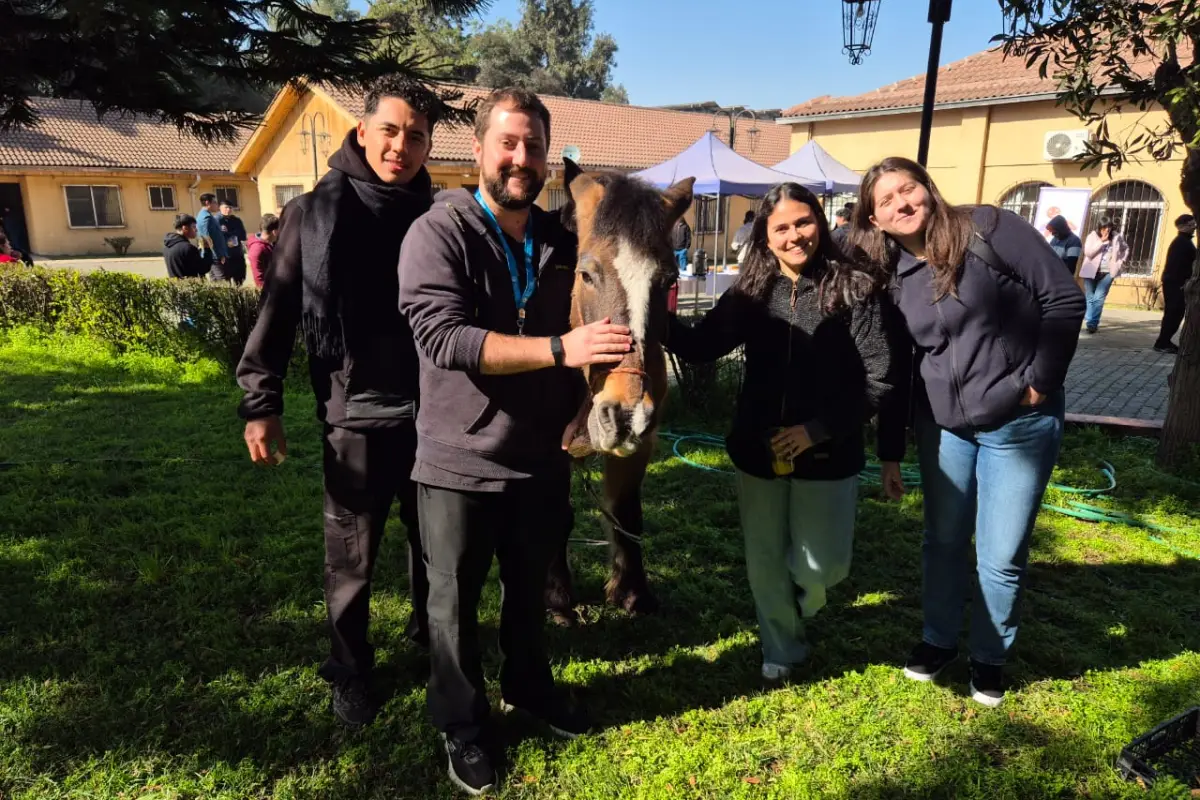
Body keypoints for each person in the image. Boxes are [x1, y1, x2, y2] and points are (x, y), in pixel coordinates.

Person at [399, 87, 630, 795]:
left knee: (529, 591)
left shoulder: (564, 242)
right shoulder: (439, 233)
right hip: (457, 457)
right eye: (507, 143)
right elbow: (444, 338)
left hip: (541, 456)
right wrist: (559, 350)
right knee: (454, 603)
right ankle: (463, 723)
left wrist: (584, 403)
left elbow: (609, 314)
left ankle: (530, 686)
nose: (520, 158)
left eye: (532, 145)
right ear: (478, 150)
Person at [236, 75, 441, 729]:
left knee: (435, 545)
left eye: (415, 135)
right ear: (362, 132)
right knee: (350, 555)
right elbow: (279, 311)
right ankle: (351, 670)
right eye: (390, 130)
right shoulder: (315, 213)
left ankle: (430, 639)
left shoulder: (437, 215)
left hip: (433, 415)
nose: (401, 146)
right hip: (353, 415)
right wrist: (259, 403)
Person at [852, 156, 1084, 707]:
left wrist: (1039, 385)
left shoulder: (990, 228)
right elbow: (902, 368)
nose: (901, 204)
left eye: (907, 190)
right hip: (945, 430)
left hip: (1020, 424)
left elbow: (1064, 298)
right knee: (944, 541)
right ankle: (937, 641)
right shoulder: (894, 277)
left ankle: (988, 657)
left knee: (1000, 555)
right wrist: (890, 452)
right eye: (886, 201)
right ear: (875, 220)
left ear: (927, 191)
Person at [665, 183, 903, 685]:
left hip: (828, 452)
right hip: (759, 446)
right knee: (765, 560)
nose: (795, 236)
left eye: (804, 222)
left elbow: (880, 378)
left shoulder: (856, 289)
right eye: (782, 228)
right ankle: (781, 645)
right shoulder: (751, 292)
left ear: (819, 221)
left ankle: (803, 600)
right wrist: (645, 309)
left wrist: (816, 431)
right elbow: (700, 346)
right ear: (765, 237)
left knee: (824, 566)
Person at [1079, 216, 1129, 334]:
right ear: (1099, 227)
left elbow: (1125, 249)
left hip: (1108, 272)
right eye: (1103, 227)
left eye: (1108, 227)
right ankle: (1090, 320)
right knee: (1090, 297)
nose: (1106, 230)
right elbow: (1088, 253)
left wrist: (1121, 261)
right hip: (1091, 271)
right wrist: (1101, 242)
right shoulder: (1092, 236)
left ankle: (1092, 323)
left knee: (1099, 297)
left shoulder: (1116, 237)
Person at [1154, 214, 1196, 355]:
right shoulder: (1181, 243)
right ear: (1182, 226)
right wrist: (1182, 283)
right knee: (1173, 313)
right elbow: (1177, 266)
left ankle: (1164, 341)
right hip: (1175, 283)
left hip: (1175, 282)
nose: (1194, 227)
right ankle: (1162, 342)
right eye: (1191, 224)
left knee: (1175, 313)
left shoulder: (1184, 242)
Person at [162, 213, 205, 279]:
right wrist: (206, 250)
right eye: (193, 227)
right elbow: (203, 269)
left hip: (176, 286)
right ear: (185, 228)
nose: (196, 230)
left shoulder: (167, 247)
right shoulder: (188, 248)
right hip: (190, 286)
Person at [195, 193, 227, 279]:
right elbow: (208, 239)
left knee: (215, 280)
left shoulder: (207, 216)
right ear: (207, 203)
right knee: (221, 280)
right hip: (214, 255)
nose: (217, 205)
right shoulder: (206, 218)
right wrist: (219, 255)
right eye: (215, 202)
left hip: (214, 255)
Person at [247, 213, 280, 289]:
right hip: (269, 290)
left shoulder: (272, 242)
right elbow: (259, 278)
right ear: (274, 232)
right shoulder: (257, 249)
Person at [219, 202, 248, 285]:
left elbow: (243, 235)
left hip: (237, 254)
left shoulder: (236, 220)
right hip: (225, 256)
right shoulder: (217, 220)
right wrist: (232, 234)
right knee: (226, 281)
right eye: (226, 207)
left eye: (230, 208)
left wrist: (231, 234)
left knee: (240, 279)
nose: (228, 210)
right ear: (220, 208)